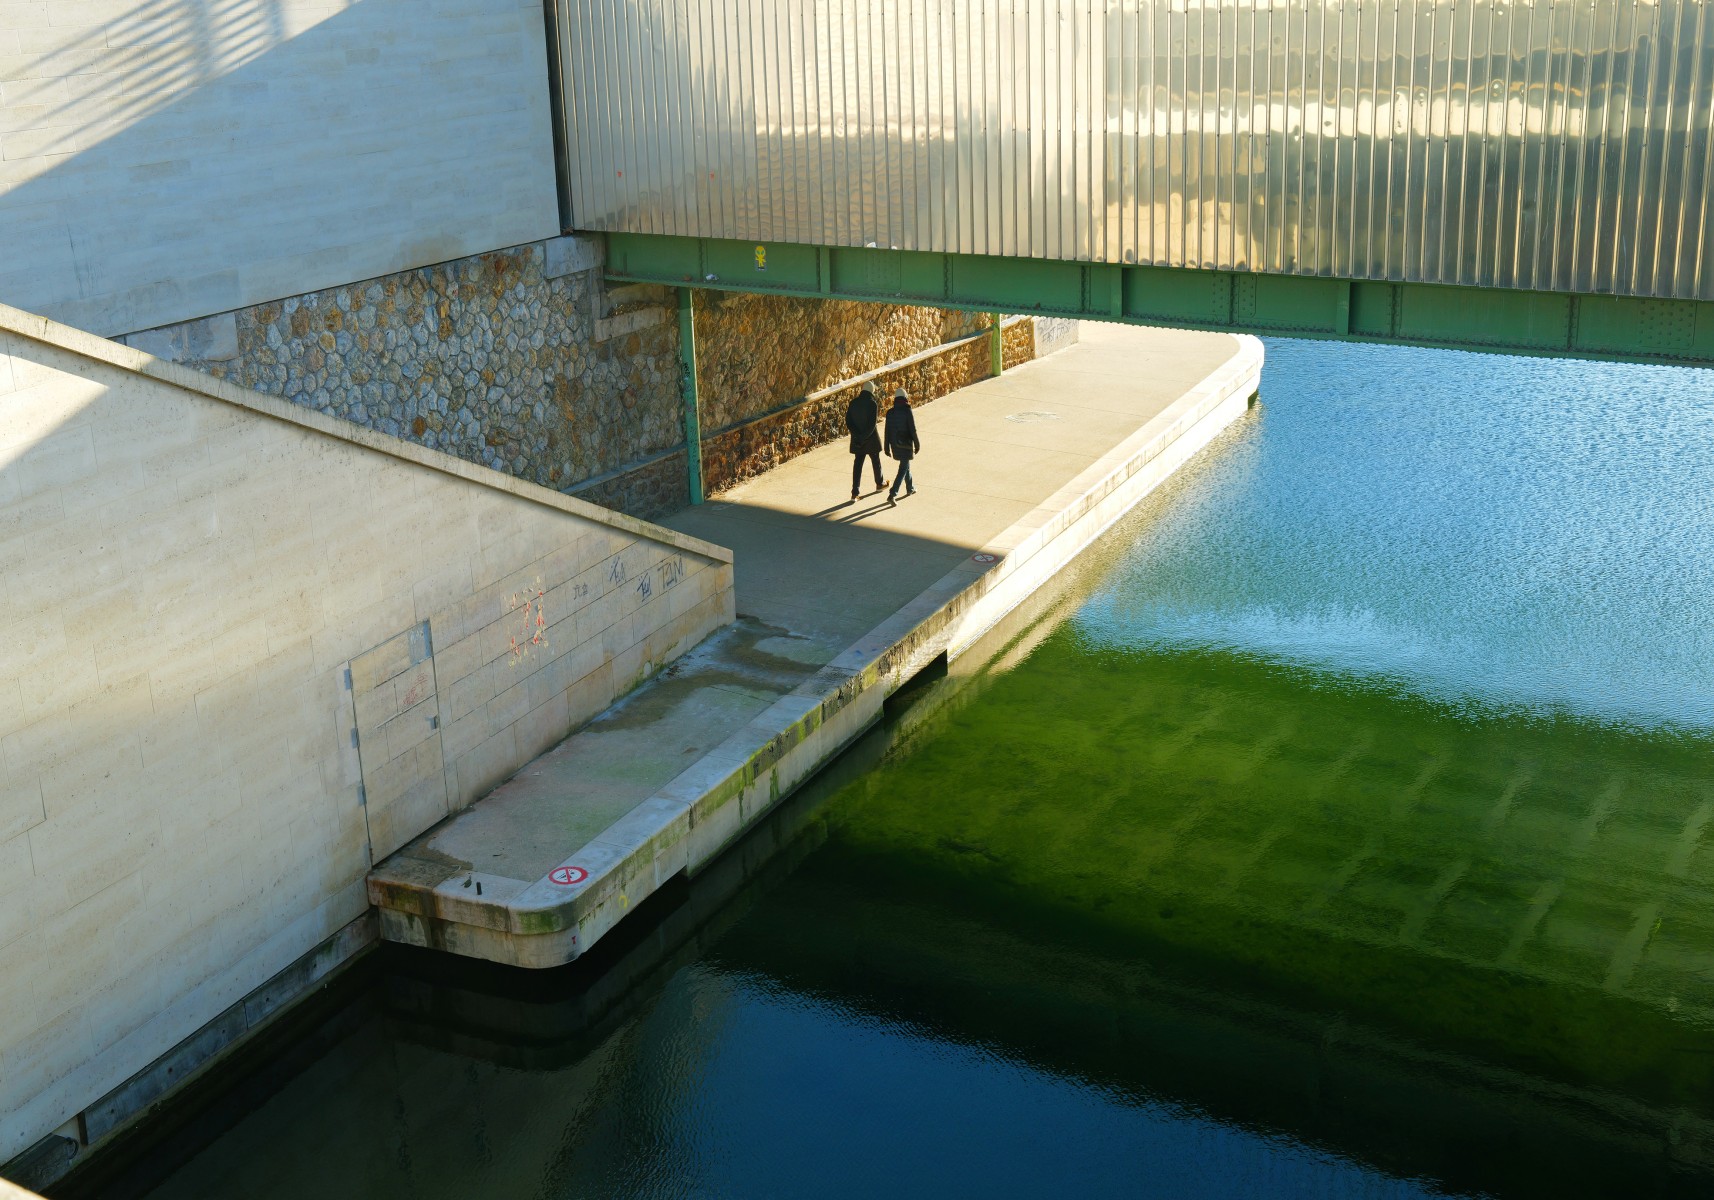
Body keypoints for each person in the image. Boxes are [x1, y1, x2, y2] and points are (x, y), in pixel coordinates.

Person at [844, 381, 885, 500]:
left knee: (858, 464)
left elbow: (849, 422)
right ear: (871, 391)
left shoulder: (853, 402)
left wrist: (857, 436)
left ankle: (855, 492)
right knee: (876, 461)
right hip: (870, 438)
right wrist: (863, 437)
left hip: (857, 439)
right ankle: (879, 483)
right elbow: (872, 425)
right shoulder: (872, 404)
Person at [884, 388, 920, 502]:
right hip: (906, 444)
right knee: (903, 468)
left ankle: (910, 488)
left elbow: (887, 431)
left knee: (906, 466)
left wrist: (886, 447)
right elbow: (912, 429)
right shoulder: (907, 410)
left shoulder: (890, 413)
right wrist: (917, 443)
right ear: (905, 398)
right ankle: (892, 494)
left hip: (894, 444)